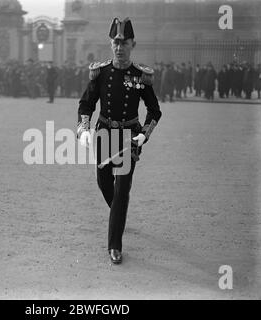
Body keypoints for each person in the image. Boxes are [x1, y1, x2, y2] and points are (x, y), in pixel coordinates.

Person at [77, 18, 162, 265]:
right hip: (104, 134)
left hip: (128, 138)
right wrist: (83, 128)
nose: (119, 47)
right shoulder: (100, 73)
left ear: (132, 44)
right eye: (116, 42)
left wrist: (144, 134)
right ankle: (119, 214)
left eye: (124, 43)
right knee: (103, 181)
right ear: (110, 43)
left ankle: (114, 245)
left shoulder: (140, 76)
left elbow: (154, 111)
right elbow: (86, 103)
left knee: (122, 189)